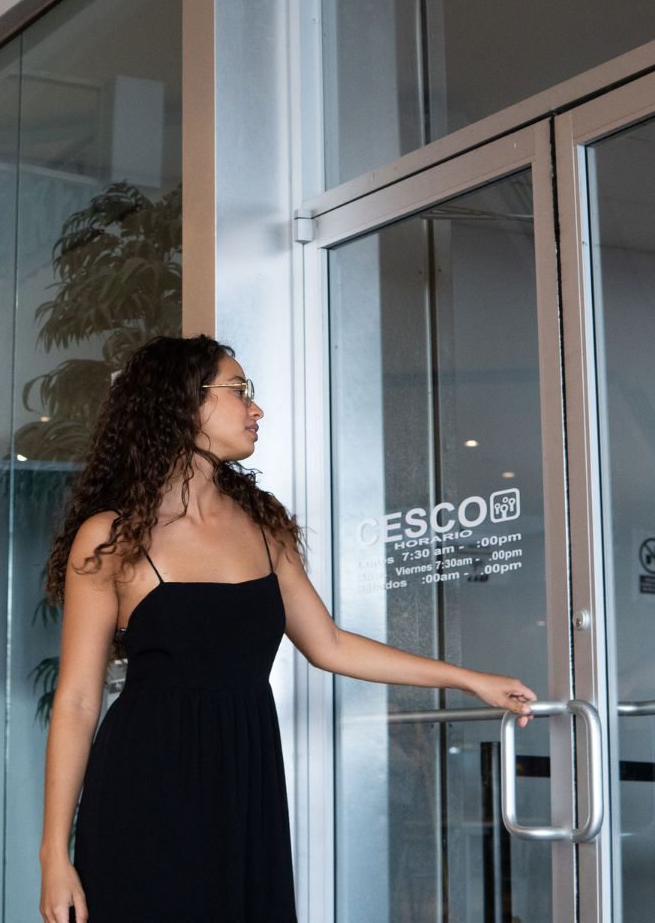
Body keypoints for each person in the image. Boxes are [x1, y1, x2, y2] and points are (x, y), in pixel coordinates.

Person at [38, 335, 536, 923]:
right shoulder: (111, 535)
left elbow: (328, 645)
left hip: (245, 784)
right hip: (146, 784)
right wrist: (53, 855)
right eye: (239, 391)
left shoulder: (262, 523)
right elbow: (74, 701)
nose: (256, 408)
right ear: (181, 403)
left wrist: (468, 679)